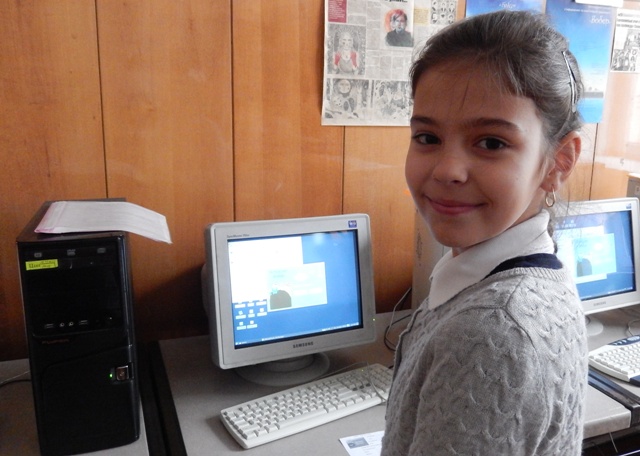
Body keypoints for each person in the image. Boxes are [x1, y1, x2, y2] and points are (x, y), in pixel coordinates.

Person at [381, 10, 588, 456]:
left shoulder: (491, 330)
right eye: (427, 137)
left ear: (559, 162)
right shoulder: (524, 275)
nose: (447, 170)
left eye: (491, 143)